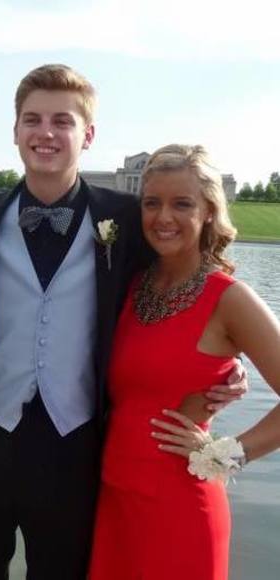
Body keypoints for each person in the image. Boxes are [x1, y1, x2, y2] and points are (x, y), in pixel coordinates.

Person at [0, 65, 246, 580]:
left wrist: (222, 360)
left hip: (79, 445)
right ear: (15, 130)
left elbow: (185, 279)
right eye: (33, 119)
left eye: (62, 121)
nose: (45, 133)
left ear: (87, 135)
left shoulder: (129, 218)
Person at [89, 144, 280, 580]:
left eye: (182, 204)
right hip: (114, 502)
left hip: (181, 507)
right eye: (152, 203)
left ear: (209, 211)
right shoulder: (131, 284)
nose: (164, 217)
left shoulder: (230, 298)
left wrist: (226, 455)